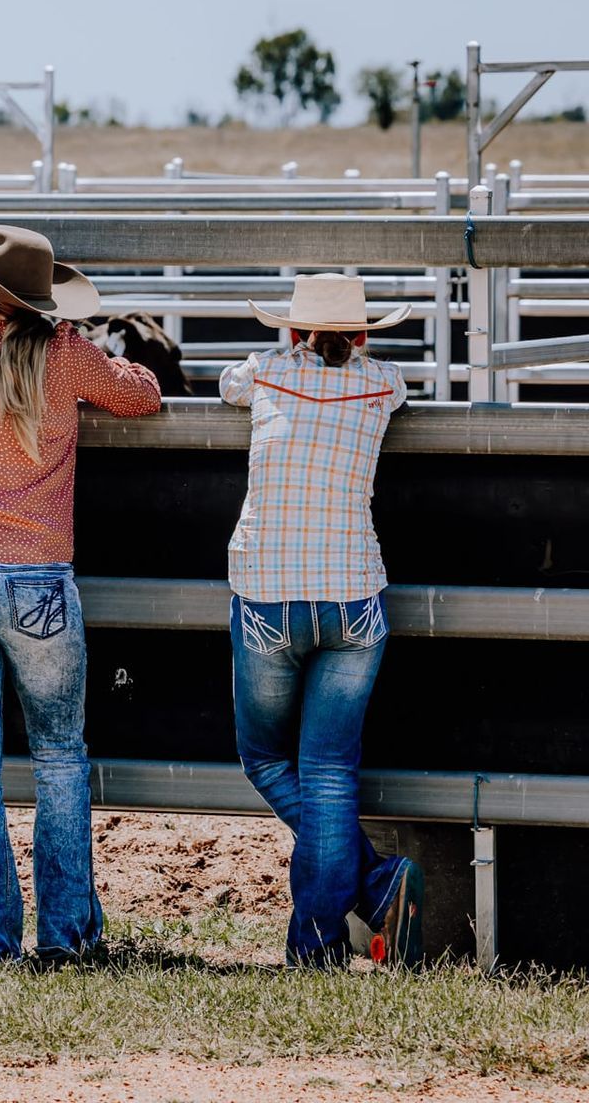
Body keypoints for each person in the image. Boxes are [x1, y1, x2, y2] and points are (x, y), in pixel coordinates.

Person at [0, 225, 162, 963]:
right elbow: (140, 398)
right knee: (58, 758)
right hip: (37, 587)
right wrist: (100, 352)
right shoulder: (69, 360)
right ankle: (66, 938)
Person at [222, 273, 423, 967]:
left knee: (265, 758)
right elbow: (390, 387)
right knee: (330, 768)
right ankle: (334, 923)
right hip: (353, 591)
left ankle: (358, 901)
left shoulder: (266, 371)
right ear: (365, 335)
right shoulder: (383, 385)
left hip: (269, 589)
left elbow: (227, 386)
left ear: (291, 330)